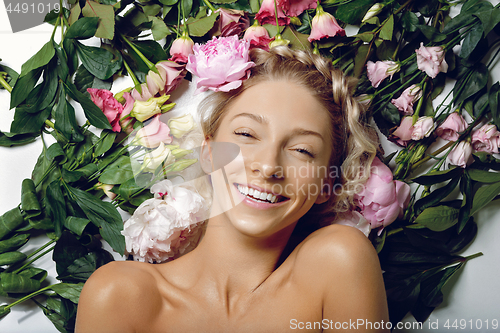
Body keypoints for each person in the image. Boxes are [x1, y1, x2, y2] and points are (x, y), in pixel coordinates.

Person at [75, 46, 390, 332]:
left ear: (327, 184)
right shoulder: (120, 295)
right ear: (209, 152)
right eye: (247, 134)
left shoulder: (338, 261)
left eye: (302, 150)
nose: (268, 166)